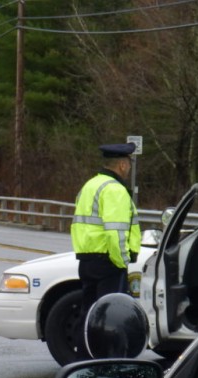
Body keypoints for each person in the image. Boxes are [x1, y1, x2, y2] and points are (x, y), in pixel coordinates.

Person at [71, 142, 141, 357]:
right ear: (121, 165)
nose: (129, 168)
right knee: (111, 317)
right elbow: (116, 232)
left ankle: (83, 358)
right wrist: (122, 262)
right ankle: (108, 360)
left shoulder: (90, 185)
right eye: (128, 163)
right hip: (109, 262)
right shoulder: (115, 190)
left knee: (90, 314)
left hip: (88, 260)